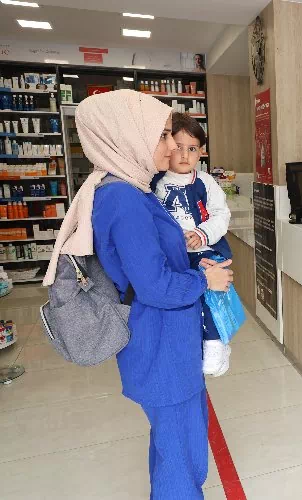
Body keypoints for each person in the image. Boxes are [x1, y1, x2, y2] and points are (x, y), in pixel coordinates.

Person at [42, 90, 233, 499]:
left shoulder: (131, 188)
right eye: (162, 135)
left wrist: (193, 264)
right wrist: (205, 281)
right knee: (181, 456)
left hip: (165, 340)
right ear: (127, 136)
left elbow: (149, 265)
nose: (172, 146)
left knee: (173, 447)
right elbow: (155, 286)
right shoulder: (123, 198)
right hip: (162, 343)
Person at [152, 112, 232, 377]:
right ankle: (190, 344)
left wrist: (203, 233)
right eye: (178, 147)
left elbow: (221, 215)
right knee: (183, 301)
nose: (185, 155)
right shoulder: (156, 183)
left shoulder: (205, 182)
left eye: (193, 149)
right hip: (172, 257)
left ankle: (215, 342)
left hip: (203, 252)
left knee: (211, 295)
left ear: (201, 152)